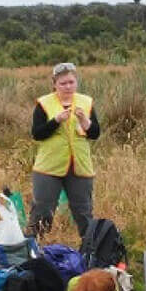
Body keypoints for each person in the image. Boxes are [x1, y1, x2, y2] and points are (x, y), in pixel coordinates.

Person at [28, 62, 101, 238]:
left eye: (71, 82)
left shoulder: (86, 102)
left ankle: (89, 253)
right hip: (49, 168)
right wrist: (56, 121)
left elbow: (95, 133)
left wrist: (85, 121)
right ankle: (33, 251)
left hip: (79, 167)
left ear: (76, 82)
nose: (68, 87)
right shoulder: (43, 104)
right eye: (63, 83)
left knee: (84, 213)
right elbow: (37, 134)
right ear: (54, 84)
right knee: (42, 212)